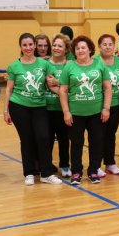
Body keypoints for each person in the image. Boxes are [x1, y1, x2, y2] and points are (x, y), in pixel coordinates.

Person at [3, 33, 62, 186]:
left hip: (39, 106)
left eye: (30, 45)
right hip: (18, 106)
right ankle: (29, 173)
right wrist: (5, 110)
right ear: (21, 47)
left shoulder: (44, 64)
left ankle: (46, 173)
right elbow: (8, 89)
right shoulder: (14, 66)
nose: (28, 48)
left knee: (43, 137)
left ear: (34, 46)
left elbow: (52, 84)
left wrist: (65, 94)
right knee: (26, 139)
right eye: (25, 45)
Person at [59, 35, 112, 184]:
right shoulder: (69, 66)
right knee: (76, 143)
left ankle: (93, 171)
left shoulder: (99, 65)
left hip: (96, 112)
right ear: (74, 51)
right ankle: (76, 172)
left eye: (83, 47)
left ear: (89, 49)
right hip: (75, 113)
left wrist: (106, 108)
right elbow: (63, 90)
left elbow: (107, 88)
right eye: (77, 48)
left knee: (96, 142)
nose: (80, 50)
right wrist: (66, 112)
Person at [96, 34, 119, 176]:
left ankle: (110, 163)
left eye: (110, 44)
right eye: (104, 44)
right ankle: (96, 165)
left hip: (116, 104)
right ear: (99, 46)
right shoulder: (94, 61)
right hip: (99, 105)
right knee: (98, 135)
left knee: (111, 135)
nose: (108, 47)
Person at [46, 34, 71, 177]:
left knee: (63, 138)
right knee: (47, 138)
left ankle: (65, 165)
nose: (56, 48)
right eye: (54, 45)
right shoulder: (44, 63)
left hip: (63, 108)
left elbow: (72, 86)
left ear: (66, 49)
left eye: (60, 46)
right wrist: (61, 89)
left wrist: (57, 84)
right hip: (46, 107)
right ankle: (47, 164)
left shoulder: (69, 65)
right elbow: (46, 83)